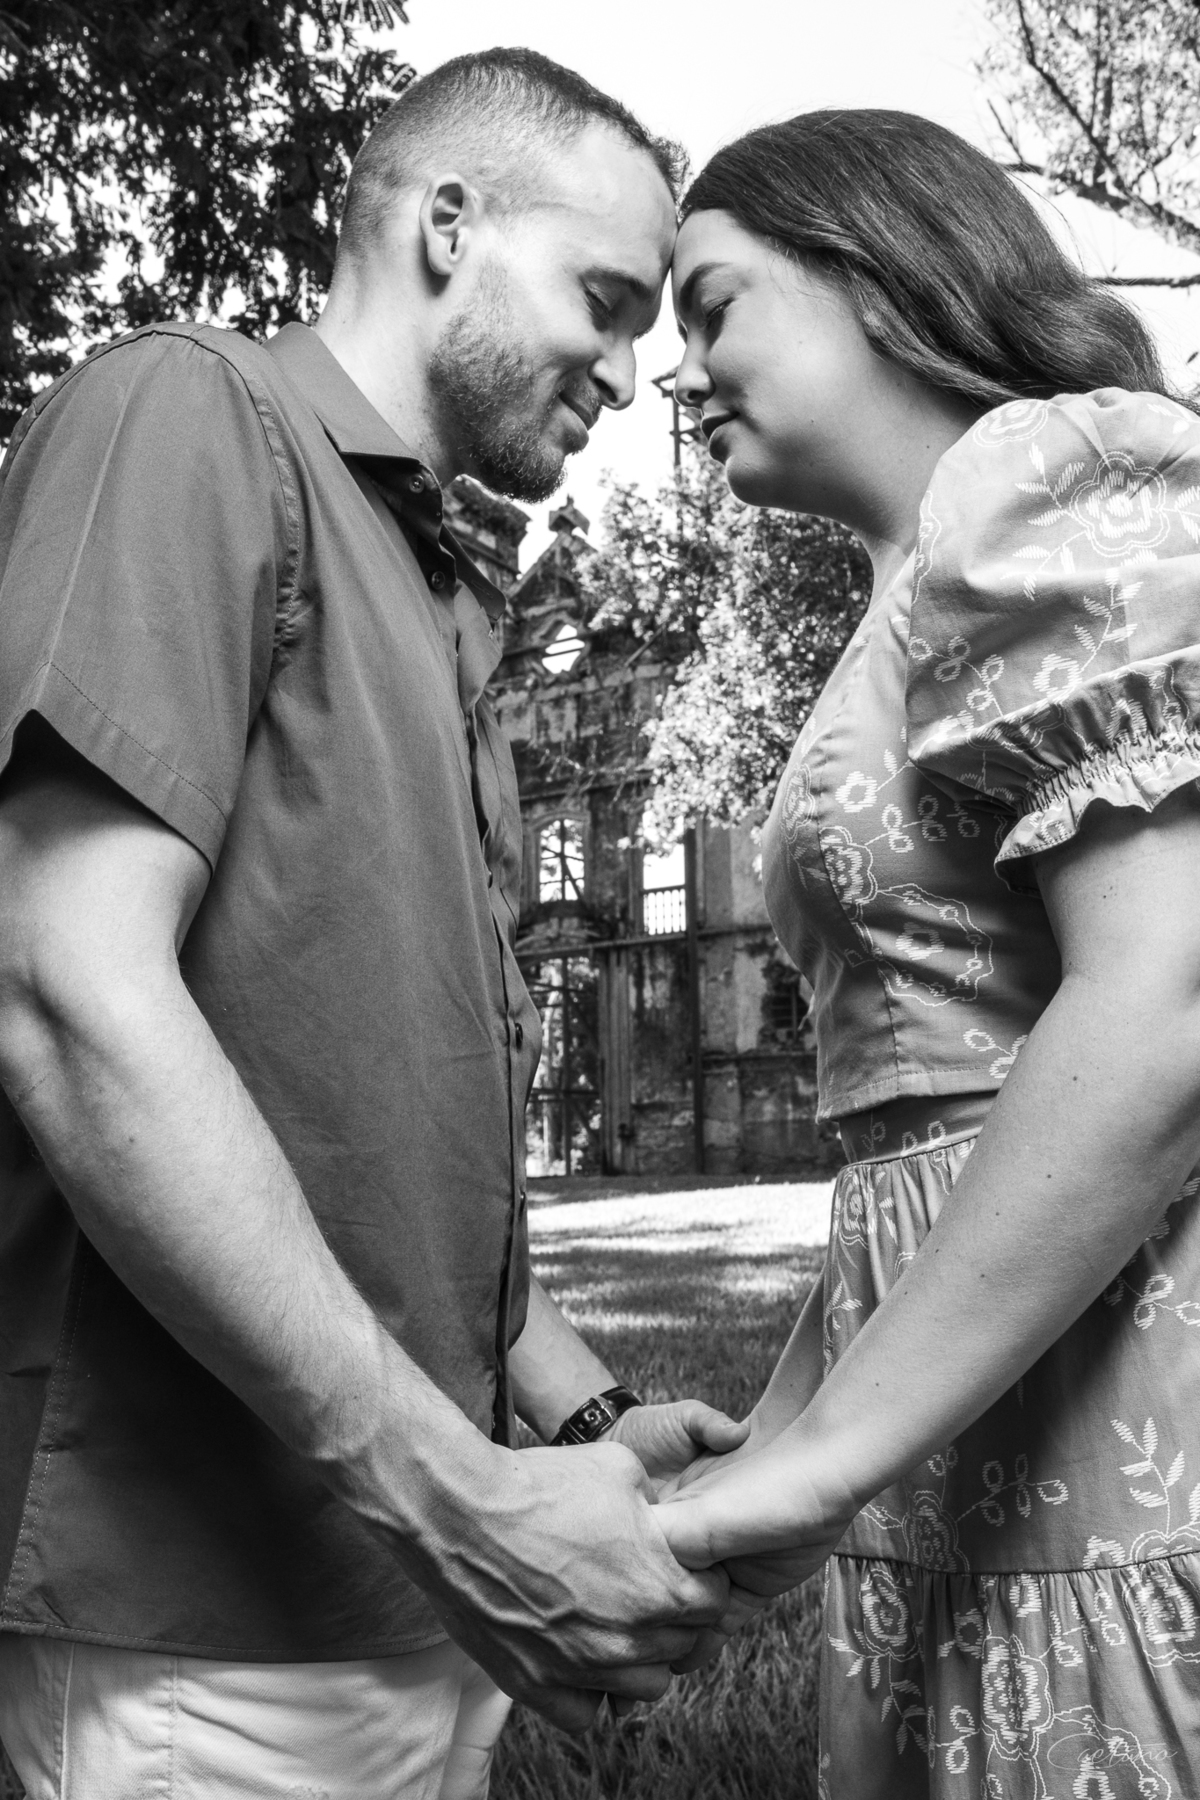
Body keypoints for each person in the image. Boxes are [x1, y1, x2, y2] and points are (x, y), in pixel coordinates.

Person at [0, 49, 744, 1800]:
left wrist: (570, 1418)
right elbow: (61, 988)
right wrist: (461, 1497)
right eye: (606, 301)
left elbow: (381, 1108)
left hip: (409, 1578)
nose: (631, 372)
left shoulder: (434, 580)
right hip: (203, 1612)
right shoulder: (187, 411)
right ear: (447, 223)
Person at [658, 108, 1200, 1796]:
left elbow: (1167, 1003)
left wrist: (828, 1462)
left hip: (1124, 1413)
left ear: (875, 276)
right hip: (971, 1429)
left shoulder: (1044, 476)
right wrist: (783, 1437)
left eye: (713, 306)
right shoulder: (907, 582)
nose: (683, 373)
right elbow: (933, 1104)